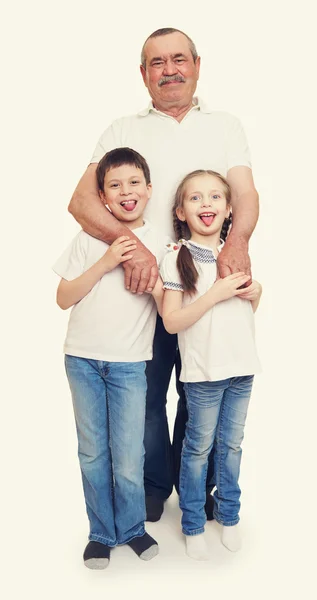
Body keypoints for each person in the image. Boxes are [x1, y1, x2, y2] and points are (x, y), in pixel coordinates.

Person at [68, 27, 259, 521]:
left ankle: (203, 487)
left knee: (205, 390)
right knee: (149, 396)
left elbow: (246, 193)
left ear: (197, 64)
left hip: (209, 287)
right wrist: (135, 253)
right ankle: (155, 486)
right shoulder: (122, 129)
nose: (169, 69)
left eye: (179, 59)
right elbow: (82, 201)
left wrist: (236, 241)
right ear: (143, 73)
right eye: (157, 62)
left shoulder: (226, 125)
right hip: (142, 292)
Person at [53, 148, 165, 569]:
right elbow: (63, 298)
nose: (125, 192)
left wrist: (148, 272)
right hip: (82, 360)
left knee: (129, 454)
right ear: (102, 197)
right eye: (114, 186)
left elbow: (169, 308)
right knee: (93, 452)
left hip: (130, 363)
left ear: (149, 189)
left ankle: (133, 528)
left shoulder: (160, 243)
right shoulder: (88, 238)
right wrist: (105, 261)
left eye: (134, 183)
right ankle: (101, 532)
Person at [160, 169, 262, 560]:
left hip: (242, 369)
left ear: (230, 208)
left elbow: (244, 313)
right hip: (204, 374)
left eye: (215, 197)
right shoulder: (176, 258)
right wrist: (216, 293)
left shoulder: (234, 254)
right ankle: (192, 523)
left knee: (232, 445)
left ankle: (230, 515)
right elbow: (172, 321)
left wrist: (255, 294)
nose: (207, 204)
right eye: (196, 198)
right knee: (198, 448)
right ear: (181, 211)